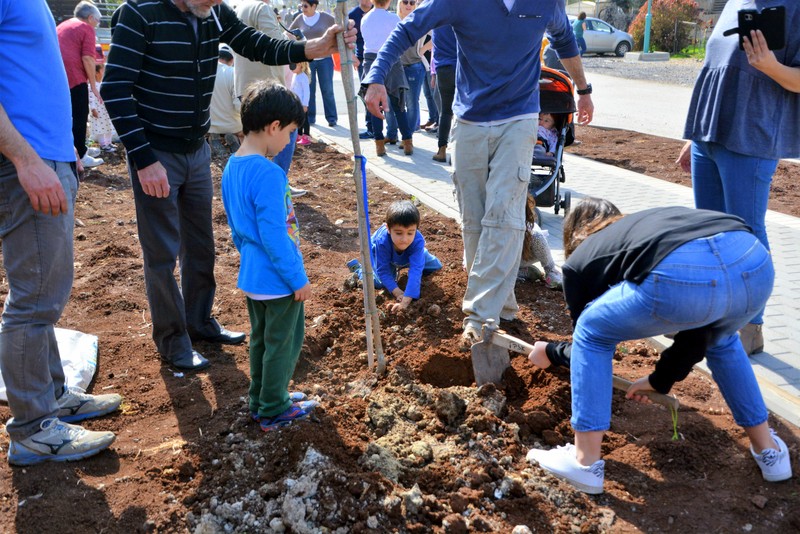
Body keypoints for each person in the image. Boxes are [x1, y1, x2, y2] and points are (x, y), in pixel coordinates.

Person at [102, 0, 355, 371]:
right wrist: (143, 159)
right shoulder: (140, 13)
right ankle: (173, 340)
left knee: (201, 243)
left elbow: (255, 43)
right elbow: (115, 88)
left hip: (196, 149)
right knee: (161, 253)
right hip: (156, 155)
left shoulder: (213, 11)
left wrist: (312, 48)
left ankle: (200, 322)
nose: (216, 2)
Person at [525, 197, 792, 494]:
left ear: (573, 235)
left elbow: (587, 348)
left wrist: (548, 352)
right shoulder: (646, 228)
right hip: (754, 263)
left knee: (591, 329)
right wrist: (659, 380)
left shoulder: (579, 263)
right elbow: (702, 334)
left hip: (684, 274)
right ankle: (770, 452)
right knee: (723, 338)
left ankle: (584, 463)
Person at [363, 0, 593, 343]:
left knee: (505, 211)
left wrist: (584, 89)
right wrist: (376, 76)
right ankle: (502, 305)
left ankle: (480, 317)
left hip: (520, 117)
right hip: (470, 119)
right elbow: (408, 28)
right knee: (474, 218)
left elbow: (564, 39)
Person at [0, 0, 121, 466]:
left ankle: (50, 395)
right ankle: (32, 428)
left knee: (45, 292)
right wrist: (26, 160)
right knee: (34, 299)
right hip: (26, 162)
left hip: (46, 155)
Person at [676, 1, 800, 356]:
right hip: (709, 135)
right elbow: (717, 66)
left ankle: (751, 325)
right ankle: (712, 321)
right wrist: (695, 134)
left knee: (746, 236)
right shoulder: (737, 2)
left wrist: (771, 66)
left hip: (752, 137)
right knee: (710, 233)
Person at [221, 81, 317, 432]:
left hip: (253, 276)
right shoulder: (269, 173)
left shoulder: (233, 165)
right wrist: (297, 279)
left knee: (262, 341)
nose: (289, 140)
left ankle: (261, 398)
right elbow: (275, 236)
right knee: (284, 343)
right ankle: (274, 407)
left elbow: (236, 227)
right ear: (274, 126)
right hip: (278, 279)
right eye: (290, 132)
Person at [233, 0, 305, 194]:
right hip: (266, 86)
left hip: (245, 85)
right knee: (289, 130)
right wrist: (297, 43)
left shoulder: (241, 8)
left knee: (255, 140)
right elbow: (277, 45)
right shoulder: (261, 8)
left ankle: (255, 185)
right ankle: (277, 184)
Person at [348, 200, 442, 313]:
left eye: (410, 233)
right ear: (388, 229)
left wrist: (406, 300)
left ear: (416, 229)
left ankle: (417, 255)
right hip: (384, 255)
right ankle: (359, 269)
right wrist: (398, 292)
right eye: (398, 233)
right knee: (380, 282)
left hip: (409, 252)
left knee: (435, 266)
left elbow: (416, 270)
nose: (404, 239)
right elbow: (383, 271)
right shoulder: (382, 242)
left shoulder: (417, 240)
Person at [362, 0, 414, 157]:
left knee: (374, 105)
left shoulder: (365, 18)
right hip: (391, 59)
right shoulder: (393, 19)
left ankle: (379, 144)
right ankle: (407, 141)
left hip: (370, 60)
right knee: (399, 104)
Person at [56, 0, 105, 169]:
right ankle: (81, 156)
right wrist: (93, 85)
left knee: (68, 114)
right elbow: (88, 58)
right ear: (91, 17)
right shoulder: (86, 28)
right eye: (98, 21)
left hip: (59, 76)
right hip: (73, 77)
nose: (97, 25)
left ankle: (78, 148)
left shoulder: (65, 24)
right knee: (80, 113)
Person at [289, 0, 338, 127]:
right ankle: (310, 118)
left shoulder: (326, 18)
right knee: (309, 90)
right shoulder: (299, 19)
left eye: (305, 6)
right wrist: (297, 43)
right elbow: (288, 33)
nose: (303, 8)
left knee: (327, 90)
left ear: (314, 6)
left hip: (325, 60)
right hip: (307, 62)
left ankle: (332, 118)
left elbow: (339, 28)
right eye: (301, 6)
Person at [518, 196, 562, 290]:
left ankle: (551, 272)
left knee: (537, 237)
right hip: (504, 264)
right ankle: (525, 272)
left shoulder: (531, 230)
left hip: (524, 256)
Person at [398, 0, 426, 133]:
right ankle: (407, 129)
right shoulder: (394, 21)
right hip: (397, 67)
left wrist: (421, 51)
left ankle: (409, 133)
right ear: (400, 4)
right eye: (405, 2)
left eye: (412, 2)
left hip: (414, 66)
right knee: (398, 102)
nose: (408, 5)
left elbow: (435, 36)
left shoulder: (418, 21)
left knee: (412, 101)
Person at [208, 45, 242, 158]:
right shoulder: (233, 73)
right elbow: (238, 106)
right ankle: (231, 138)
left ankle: (214, 137)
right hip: (232, 125)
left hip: (209, 124)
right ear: (232, 59)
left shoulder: (205, 72)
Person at [430, 24, 456, 163]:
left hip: (443, 68)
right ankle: (458, 152)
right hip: (462, 67)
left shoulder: (437, 23)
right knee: (462, 111)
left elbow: (435, 50)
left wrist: (433, 73)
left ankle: (442, 150)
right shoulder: (461, 17)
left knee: (445, 111)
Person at [349, 0, 374, 139]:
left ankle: (389, 131)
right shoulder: (352, 16)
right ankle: (370, 127)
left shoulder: (378, 12)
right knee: (366, 94)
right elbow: (343, 38)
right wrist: (353, 57)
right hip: (362, 60)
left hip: (379, 59)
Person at [89, 64, 118, 153]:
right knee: (100, 127)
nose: (104, 72)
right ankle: (103, 145)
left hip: (105, 110)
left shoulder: (103, 83)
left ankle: (108, 143)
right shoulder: (92, 86)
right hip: (98, 110)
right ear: (96, 73)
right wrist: (93, 109)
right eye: (102, 70)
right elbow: (91, 99)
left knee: (108, 126)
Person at [291, 62, 312, 146]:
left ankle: (306, 136)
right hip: (296, 103)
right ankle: (299, 135)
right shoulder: (295, 76)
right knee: (298, 120)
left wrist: (305, 104)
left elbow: (307, 92)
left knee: (304, 120)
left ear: (300, 65)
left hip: (302, 104)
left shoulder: (303, 77)